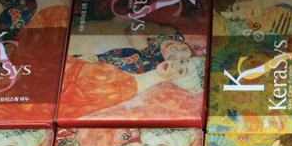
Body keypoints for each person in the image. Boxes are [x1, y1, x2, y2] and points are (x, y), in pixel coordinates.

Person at [58, 38, 204, 120]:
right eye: (180, 60)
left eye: (181, 69)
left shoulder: (127, 88)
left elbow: (71, 106)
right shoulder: (138, 61)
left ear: (178, 80)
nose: (174, 63)